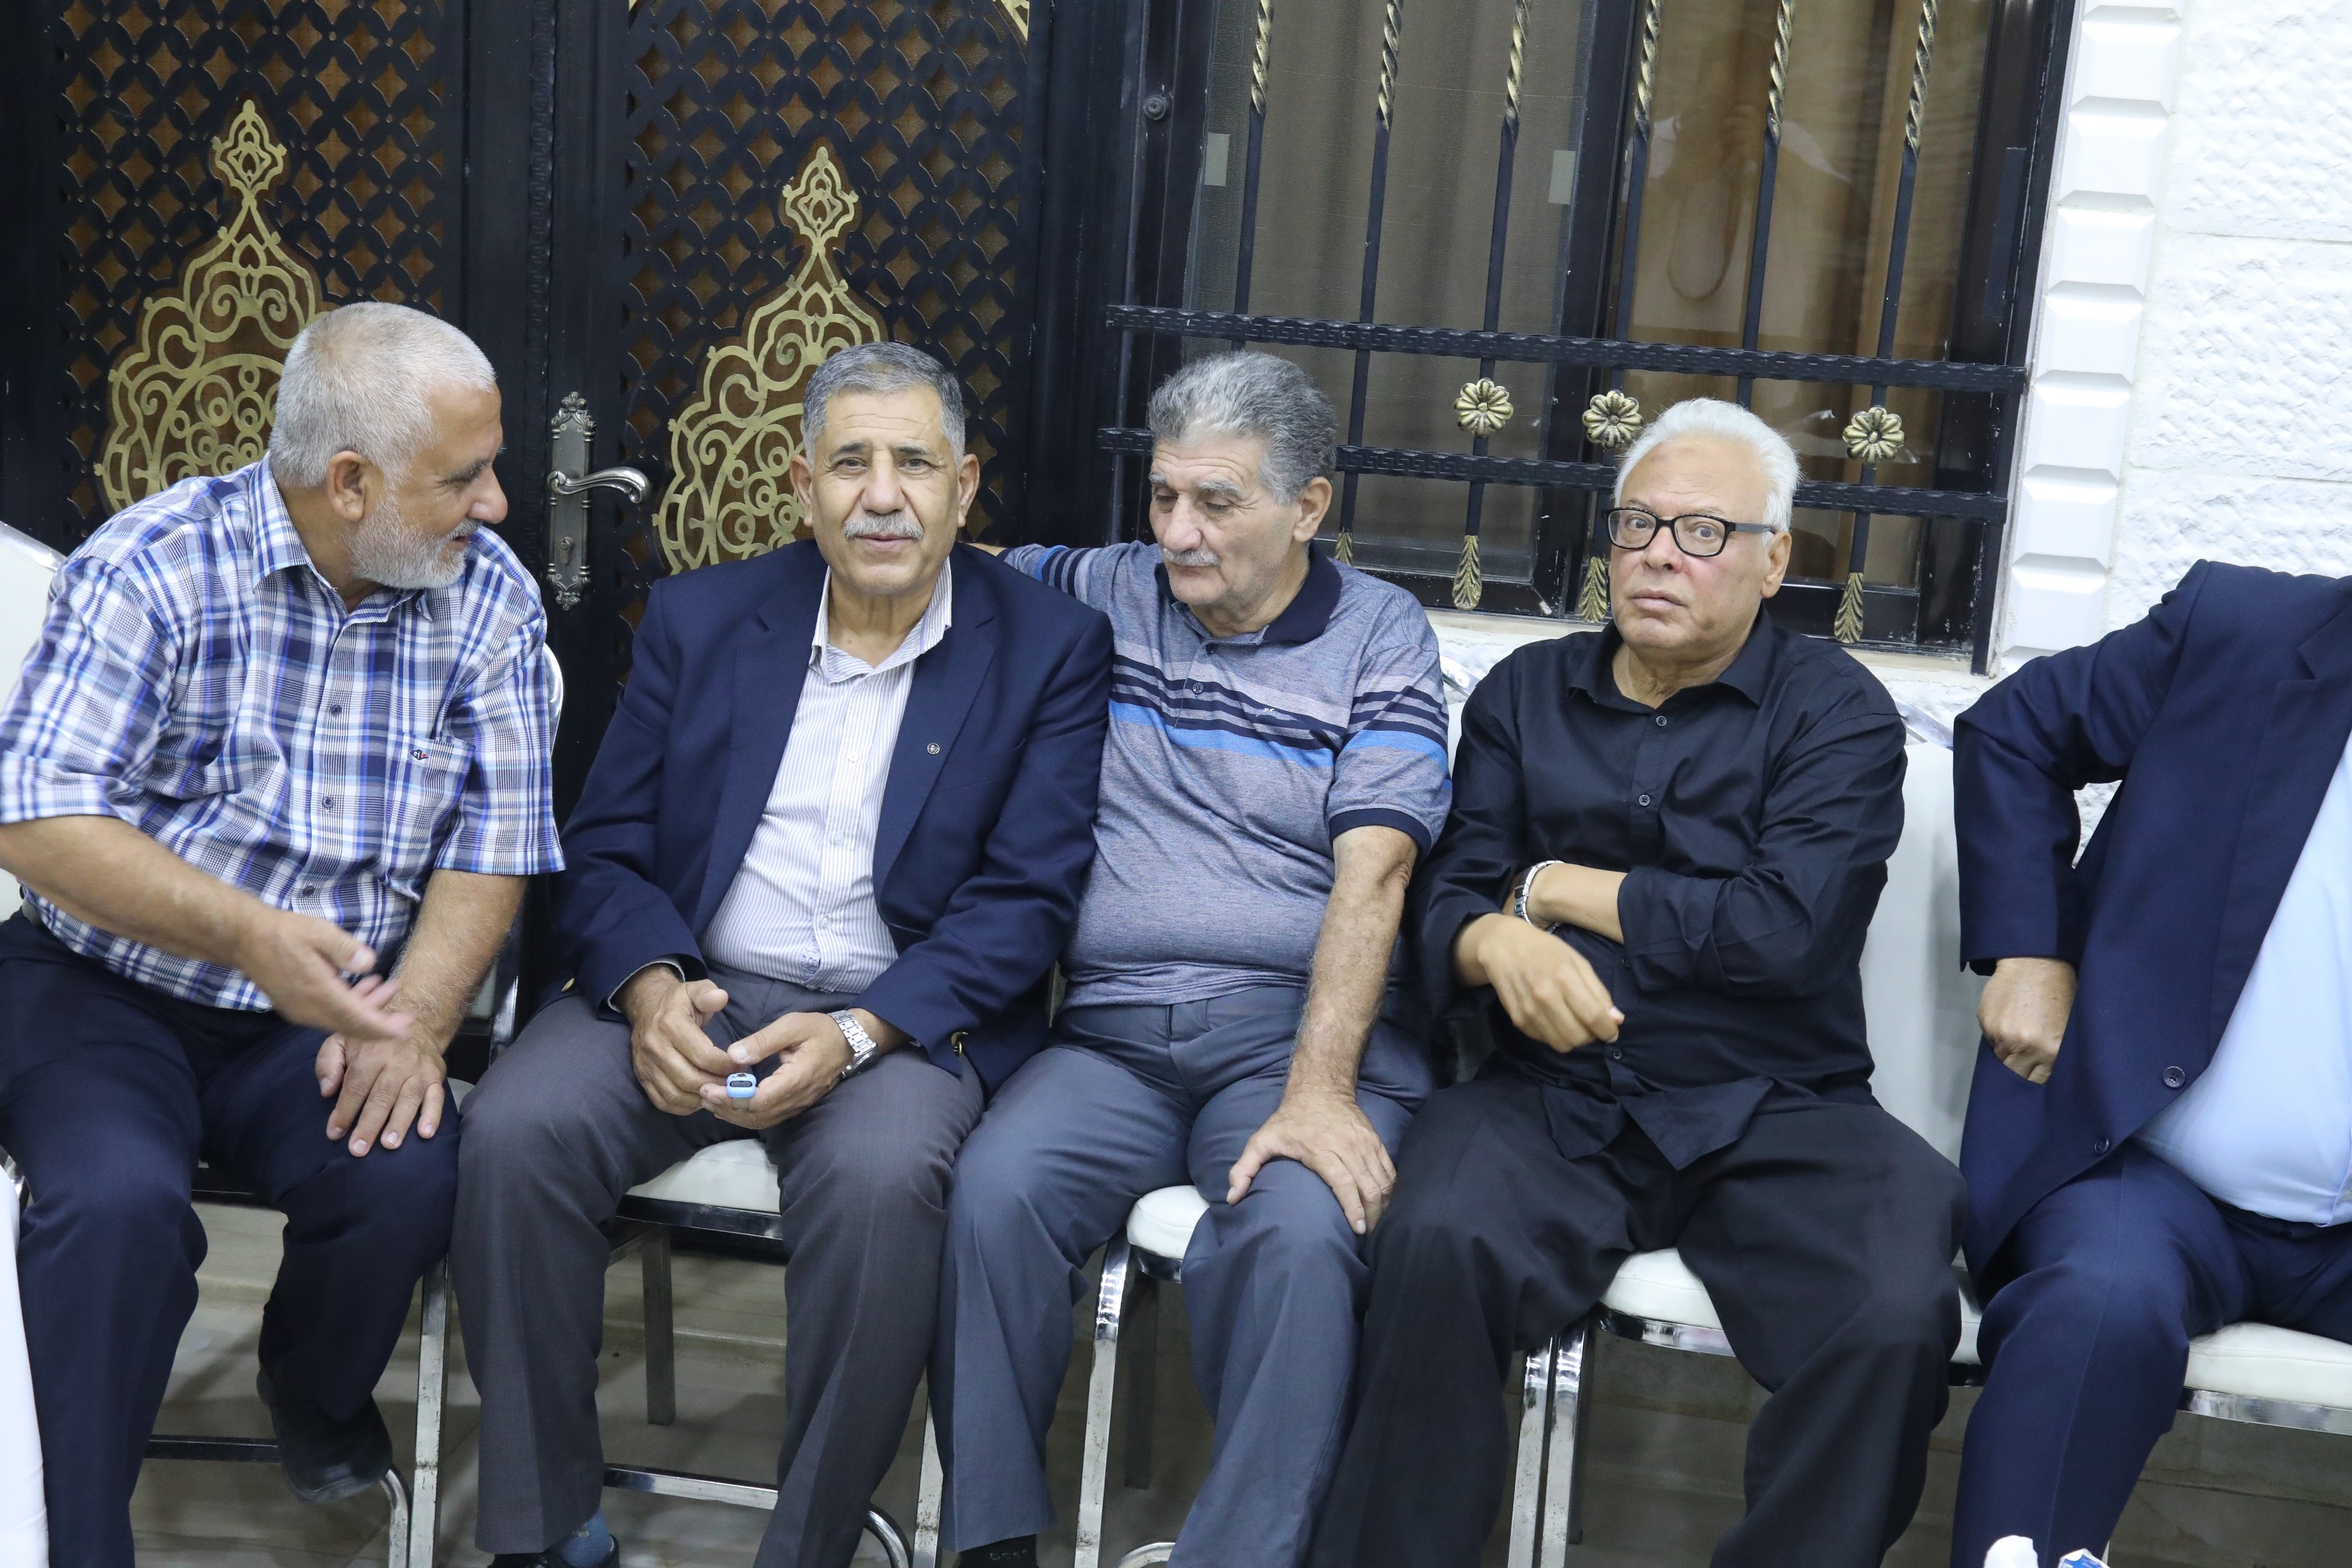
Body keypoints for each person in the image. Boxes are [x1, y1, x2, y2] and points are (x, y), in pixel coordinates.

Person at [452, 342, 1112, 1568]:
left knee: (882, 1185)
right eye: (850, 463)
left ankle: (807, 1548)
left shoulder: (1048, 647)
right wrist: (651, 992)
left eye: (915, 464)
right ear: (802, 486)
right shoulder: (704, 618)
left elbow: (1027, 901)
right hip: (699, 984)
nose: (882, 496)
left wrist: (861, 1032)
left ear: (966, 488)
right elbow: (604, 846)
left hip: (900, 1018)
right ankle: (545, 1531)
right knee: (514, 1132)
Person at [1310, 399, 1967, 1568]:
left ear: (1775, 562)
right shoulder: (1525, 694)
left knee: (1894, 1309)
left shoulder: (1836, 713)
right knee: (1434, 1241)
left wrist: (1552, 889)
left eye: (1704, 533)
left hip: (1773, 1105)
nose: (1661, 555)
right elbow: (1451, 893)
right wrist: (1491, 943)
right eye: (1638, 525)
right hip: (1550, 1098)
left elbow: (1784, 934)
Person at [0, 303, 558, 1566]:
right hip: (99, 986)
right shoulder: (154, 564)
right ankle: (80, 1541)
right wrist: (246, 933)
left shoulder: (488, 598)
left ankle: (309, 1392)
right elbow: (33, 815)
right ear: (349, 483)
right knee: (112, 1206)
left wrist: (418, 1019)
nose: (496, 505)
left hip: (334, 1003)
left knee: (407, 1174)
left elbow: (497, 840)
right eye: (463, 477)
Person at [937, 351, 1453, 1568]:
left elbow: (1377, 872)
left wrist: (1318, 1093)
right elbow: (937, 563)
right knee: (995, 1195)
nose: (1178, 532)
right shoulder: (1107, 588)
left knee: (1300, 1233)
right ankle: (992, 1544)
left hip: (1291, 1038)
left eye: (1218, 502)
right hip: (1110, 1038)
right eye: (1164, 496)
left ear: (1309, 506)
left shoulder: (1380, 633)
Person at [1949, 561, 2352, 1566]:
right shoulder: (2247, 631)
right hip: (2148, 1177)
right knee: (2098, 1305)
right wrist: (2030, 952)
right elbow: (2014, 732)